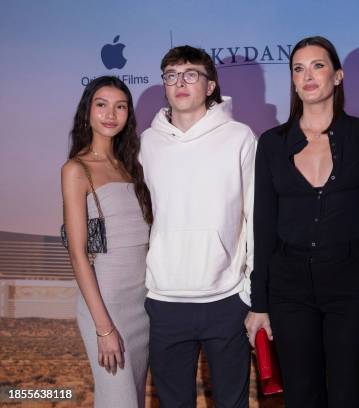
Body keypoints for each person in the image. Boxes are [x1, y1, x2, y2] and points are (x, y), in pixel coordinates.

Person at [245, 36, 359, 408]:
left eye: (318, 65)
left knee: (351, 392)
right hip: (289, 291)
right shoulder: (272, 143)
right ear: (292, 80)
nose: (308, 75)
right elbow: (263, 225)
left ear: (337, 76)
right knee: (302, 394)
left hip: (350, 286)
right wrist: (260, 303)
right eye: (298, 68)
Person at [139, 45, 256, 407]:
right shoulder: (147, 142)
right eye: (171, 75)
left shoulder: (240, 137)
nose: (180, 82)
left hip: (226, 299)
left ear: (210, 86)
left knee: (231, 402)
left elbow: (255, 217)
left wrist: (249, 291)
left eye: (191, 74)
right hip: (165, 299)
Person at [61, 76, 152, 407]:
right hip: (106, 302)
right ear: (88, 111)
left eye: (120, 106)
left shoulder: (130, 168)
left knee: (135, 399)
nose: (111, 114)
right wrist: (103, 328)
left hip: (141, 303)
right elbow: (77, 253)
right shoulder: (76, 169)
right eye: (102, 104)